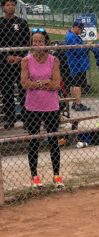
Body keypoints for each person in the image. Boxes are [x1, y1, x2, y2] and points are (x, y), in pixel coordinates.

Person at [20, 29, 63, 189]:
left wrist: (37, 83)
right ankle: (35, 176)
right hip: (32, 106)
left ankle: (57, 176)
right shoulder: (26, 60)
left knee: (53, 141)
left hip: (51, 106)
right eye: (34, 42)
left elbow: (56, 84)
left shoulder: (54, 60)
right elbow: (24, 83)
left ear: (46, 43)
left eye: (40, 42)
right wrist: (43, 83)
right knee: (33, 141)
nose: (37, 44)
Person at [0, 0, 30, 129]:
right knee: (7, 91)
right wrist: (6, 56)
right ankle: (9, 118)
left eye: (12, 4)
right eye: (7, 5)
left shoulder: (22, 23)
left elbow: (26, 41)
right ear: (3, 7)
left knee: (23, 89)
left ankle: (26, 118)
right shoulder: (0, 23)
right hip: (4, 63)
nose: (10, 7)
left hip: (20, 63)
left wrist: (20, 57)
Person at [64, 20, 90, 111]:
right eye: (80, 29)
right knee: (77, 84)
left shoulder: (73, 35)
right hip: (77, 63)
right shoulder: (71, 37)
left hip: (78, 63)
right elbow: (78, 50)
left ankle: (75, 102)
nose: (81, 31)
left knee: (75, 83)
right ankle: (78, 104)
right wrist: (87, 46)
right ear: (76, 27)